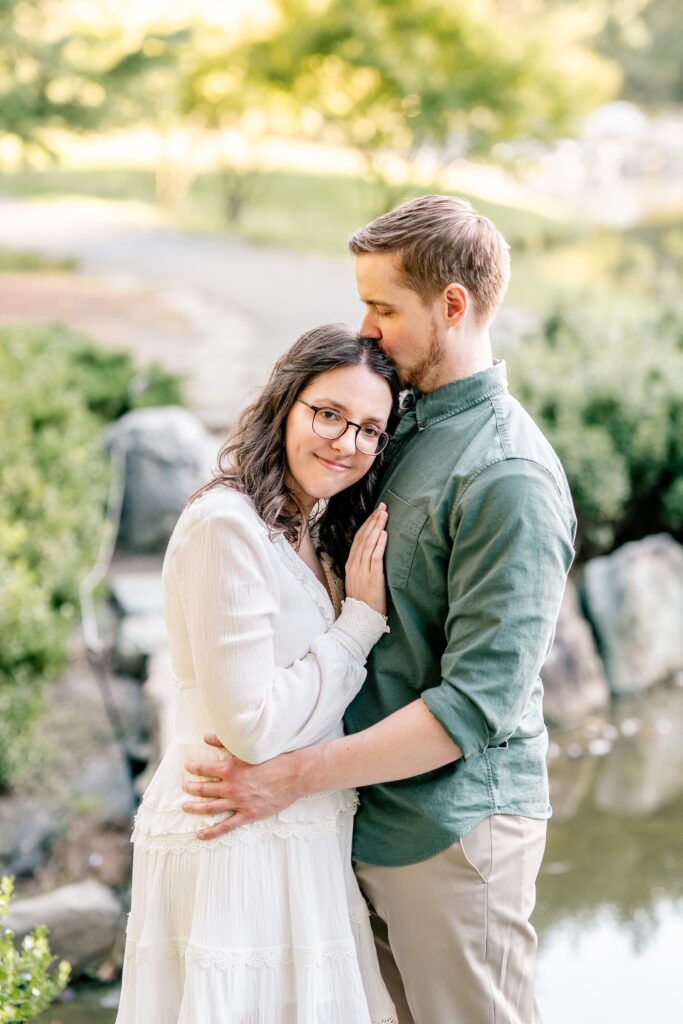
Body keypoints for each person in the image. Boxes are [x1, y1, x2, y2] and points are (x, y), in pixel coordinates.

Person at [181, 195, 577, 1024]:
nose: (365, 329)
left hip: (451, 833)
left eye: (384, 308)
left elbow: (474, 706)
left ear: (454, 306)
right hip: (363, 817)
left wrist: (287, 777)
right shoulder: (395, 421)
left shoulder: (507, 477)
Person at [116, 323, 400, 1024]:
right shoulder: (227, 526)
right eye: (328, 414)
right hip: (230, 838)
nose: (347, 443)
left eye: (369, 429)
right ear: (284, 403)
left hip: (294, 832)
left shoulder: (309, 525)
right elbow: (252, 725)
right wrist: (359, 623)